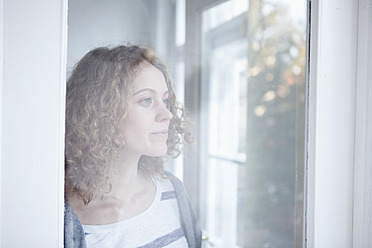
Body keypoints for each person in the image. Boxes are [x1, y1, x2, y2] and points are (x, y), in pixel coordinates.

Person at [64, 45, 202, 248]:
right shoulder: (64, 222)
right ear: (103, 112)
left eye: (165, 100)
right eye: (146, 100)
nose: (167, 114)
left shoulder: (173, 191)